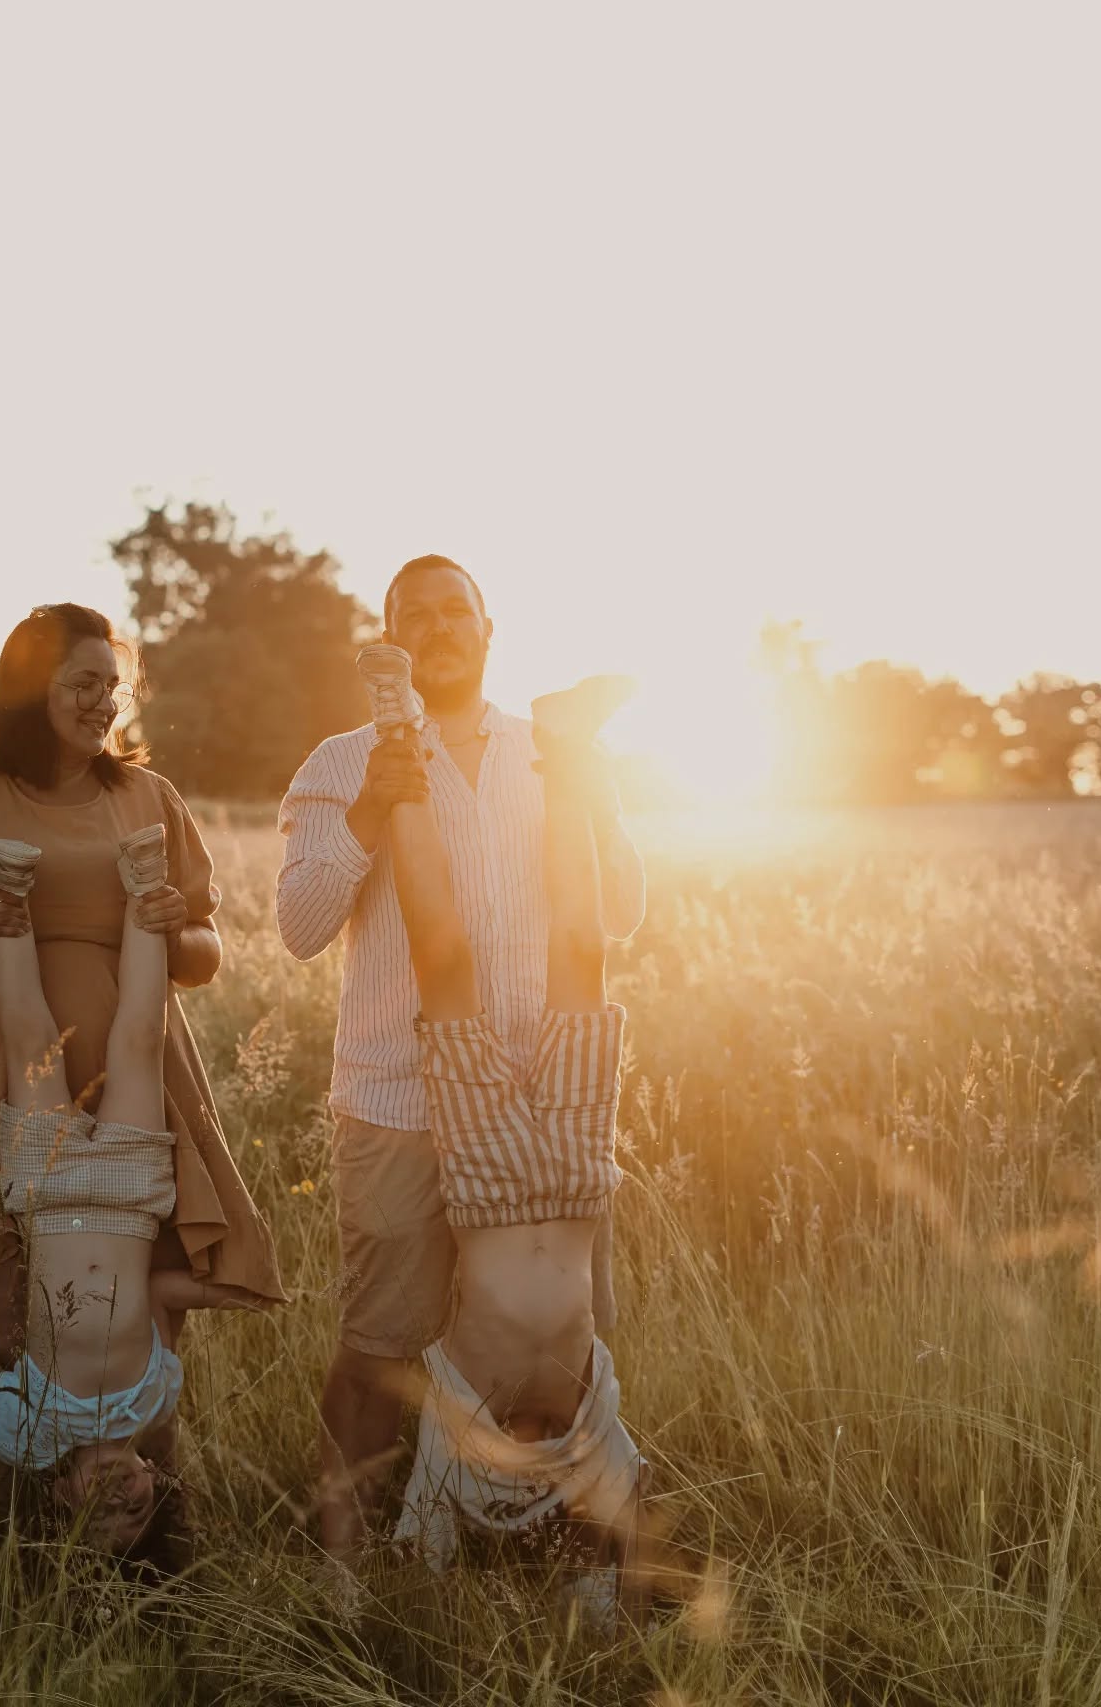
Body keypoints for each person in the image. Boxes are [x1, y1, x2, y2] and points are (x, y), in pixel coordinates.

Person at [0, 604, 284, 1527]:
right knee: (3, 1305)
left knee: (134, 1287)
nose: (102, 703)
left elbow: (206, 956)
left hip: (134, 1067)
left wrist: (179, 927)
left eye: (112, 686)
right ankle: (16, 1538)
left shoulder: (148, 800)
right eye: (81, 684)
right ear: (29, 691)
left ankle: (156, 1544)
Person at [275, 556, 645, 1569]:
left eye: (456, 611)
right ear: (388, 636)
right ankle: (346, 1569)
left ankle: (558, 1544)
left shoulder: (549, 755)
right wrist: (362, 819)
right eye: (415, 615)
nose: (440, 627)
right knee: (381, 1345)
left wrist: (590, 797)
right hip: (400, 1095)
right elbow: (300, 926)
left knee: (561, 1339)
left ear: (489, 629)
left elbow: (618, 914)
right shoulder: (342, 760)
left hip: (549, 1092)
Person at [362, 651, 647, 1607]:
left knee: (441, 957)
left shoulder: (458, 1447)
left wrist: (440, 1590)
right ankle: (563, 748)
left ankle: (399, 738)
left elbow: (424, 1566)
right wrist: (590, 1585)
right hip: (571, 1177)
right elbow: (622, 1562)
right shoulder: (592, 1435)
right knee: (583, 950)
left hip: (483, 1186)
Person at [0, 824, 259, 1552]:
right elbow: (160, 1300)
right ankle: (144, 881)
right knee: (139, 1038)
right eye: (134, 1511)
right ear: (153, 1480)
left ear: (61, 1495)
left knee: (27, 1038)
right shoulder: (153, 1402)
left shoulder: (29, 1433)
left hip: (44, 1198)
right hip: (134, 1197)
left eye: (96, 1515)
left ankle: (9, 889)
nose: (116, 1500)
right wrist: (224, 1292)